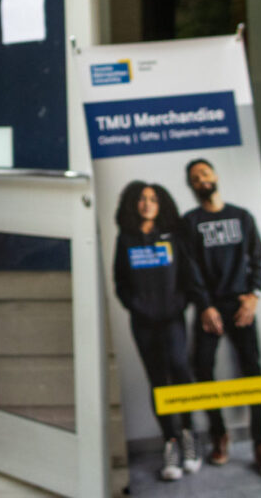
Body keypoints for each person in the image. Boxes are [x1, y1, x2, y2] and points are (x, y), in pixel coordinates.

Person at [181, 158, 261, 479]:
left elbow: (260, 259)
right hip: (209, 307)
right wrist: (206, 306)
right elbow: (189, 269)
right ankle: (219, 436)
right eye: (195, 178)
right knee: (202, 368)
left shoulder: (241, 216)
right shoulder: (190, 222)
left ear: (216, 176)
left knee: (254, 372)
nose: (202, 180)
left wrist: (254, 296)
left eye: (205, 174)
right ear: (192, 186)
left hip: (241, 306)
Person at [112, 181, 200, 482]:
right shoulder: (126, 239)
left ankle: (188, 436)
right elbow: (120, 283)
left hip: (173, 319)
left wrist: (178, 305)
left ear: (161, 204)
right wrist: (138, 306)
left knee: (181, 372)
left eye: (152, 199)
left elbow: (188, 276)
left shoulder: (173, 237)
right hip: (143, 324)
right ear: (134, 204)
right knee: (159, 381)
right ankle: (171, 442)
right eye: (141, 199)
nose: (147, 203)